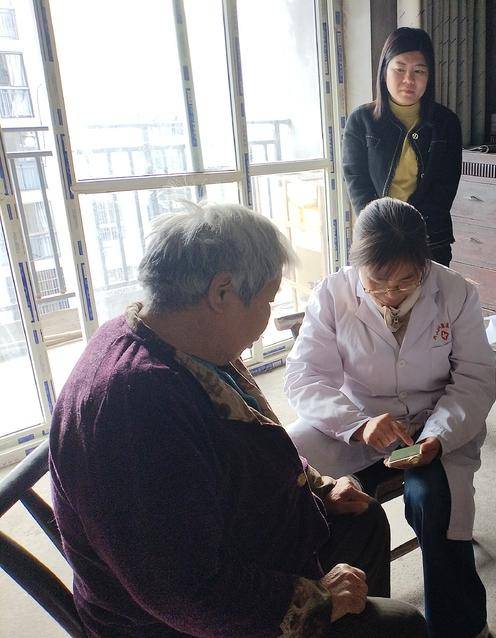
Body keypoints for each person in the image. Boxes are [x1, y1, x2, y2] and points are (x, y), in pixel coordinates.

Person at [49, 202, 426, 638]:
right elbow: (187, 593)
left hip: (235, 544)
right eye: (267, 300)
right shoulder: (138, 407)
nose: (266, 320)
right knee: (403, 626)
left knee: (364, 519)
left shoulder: (182, 341)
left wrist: (318, 489)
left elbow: (251, 443)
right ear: (222, 292)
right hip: (180, 623)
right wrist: (318, 600)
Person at [284, 198, 496, 638]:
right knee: (289, 463)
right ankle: (334, 609)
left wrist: (438, 437)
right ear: (357, 264)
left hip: (432, 422)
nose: (391, 294)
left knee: (435, 501)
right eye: (378, 284)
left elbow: (474, 379)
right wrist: (357, 424)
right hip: (357, 421)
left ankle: (457, 626)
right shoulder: (333, 293)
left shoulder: (456, 292)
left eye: (405, 282)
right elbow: (304, 378)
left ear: (424, 264)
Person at [342, 27, 462, 267]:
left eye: (419, 71)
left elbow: (445, 187)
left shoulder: (446, 122)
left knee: (430, 292)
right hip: (377, 237)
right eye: (399, 69)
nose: (409, 79)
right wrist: (384, 228)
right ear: (384, 70)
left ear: (429, 76)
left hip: (430, 238)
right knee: (376, 292)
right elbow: (357, 181)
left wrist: (410, 229)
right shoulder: (361, 120)